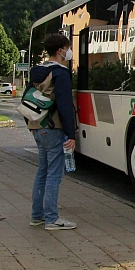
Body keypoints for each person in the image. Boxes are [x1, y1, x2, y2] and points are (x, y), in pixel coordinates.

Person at [28, 33, 77, 231]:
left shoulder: (37, 71)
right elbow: (65, 105)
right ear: (60, 50)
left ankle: (37, 216)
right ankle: (51, 218)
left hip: (38, 126)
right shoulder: (61, 73)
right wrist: (71, 134)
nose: (69, 52)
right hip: (54, 128)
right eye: (68, 47)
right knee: (54, 175)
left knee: (42, 172)